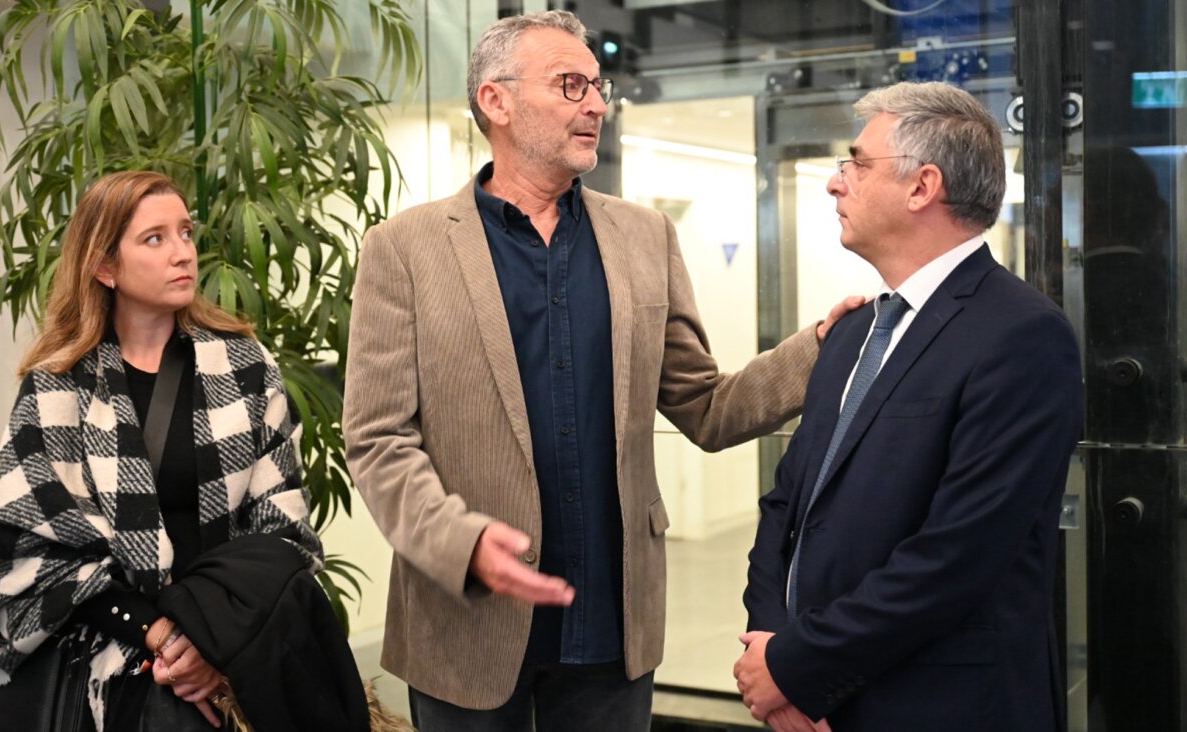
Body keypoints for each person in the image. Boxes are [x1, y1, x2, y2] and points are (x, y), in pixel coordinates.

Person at [342, 10, 860, 731]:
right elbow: (377, 439)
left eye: (597, 84)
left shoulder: (645, 236)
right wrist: (461, 544)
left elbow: (704, 407)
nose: (596, 104)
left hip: (613, 621)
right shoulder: (404, 249)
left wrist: (817, 349)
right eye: (570, 85)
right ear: (496, 101)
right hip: (466, 622)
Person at [734, 81, 1083, 732]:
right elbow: (787, 507)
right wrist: (768, 644)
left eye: (856, 164)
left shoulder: (1023, 337)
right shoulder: (848, 336)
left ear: (923, 187)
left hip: (940, 707)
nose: (836, 184)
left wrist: (797, 667)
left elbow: (955, 559)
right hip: (821, 698)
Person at [0, 171, 367, 731]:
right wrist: (162, 635)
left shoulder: (246, 368)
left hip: (227, 656)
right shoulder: (59, 385)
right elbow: (27, 549)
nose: (182, 252)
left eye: (185, 232)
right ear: (105, 267)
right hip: (96, 670)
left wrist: (209, 644)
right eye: (154, 239)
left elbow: (282, 531)